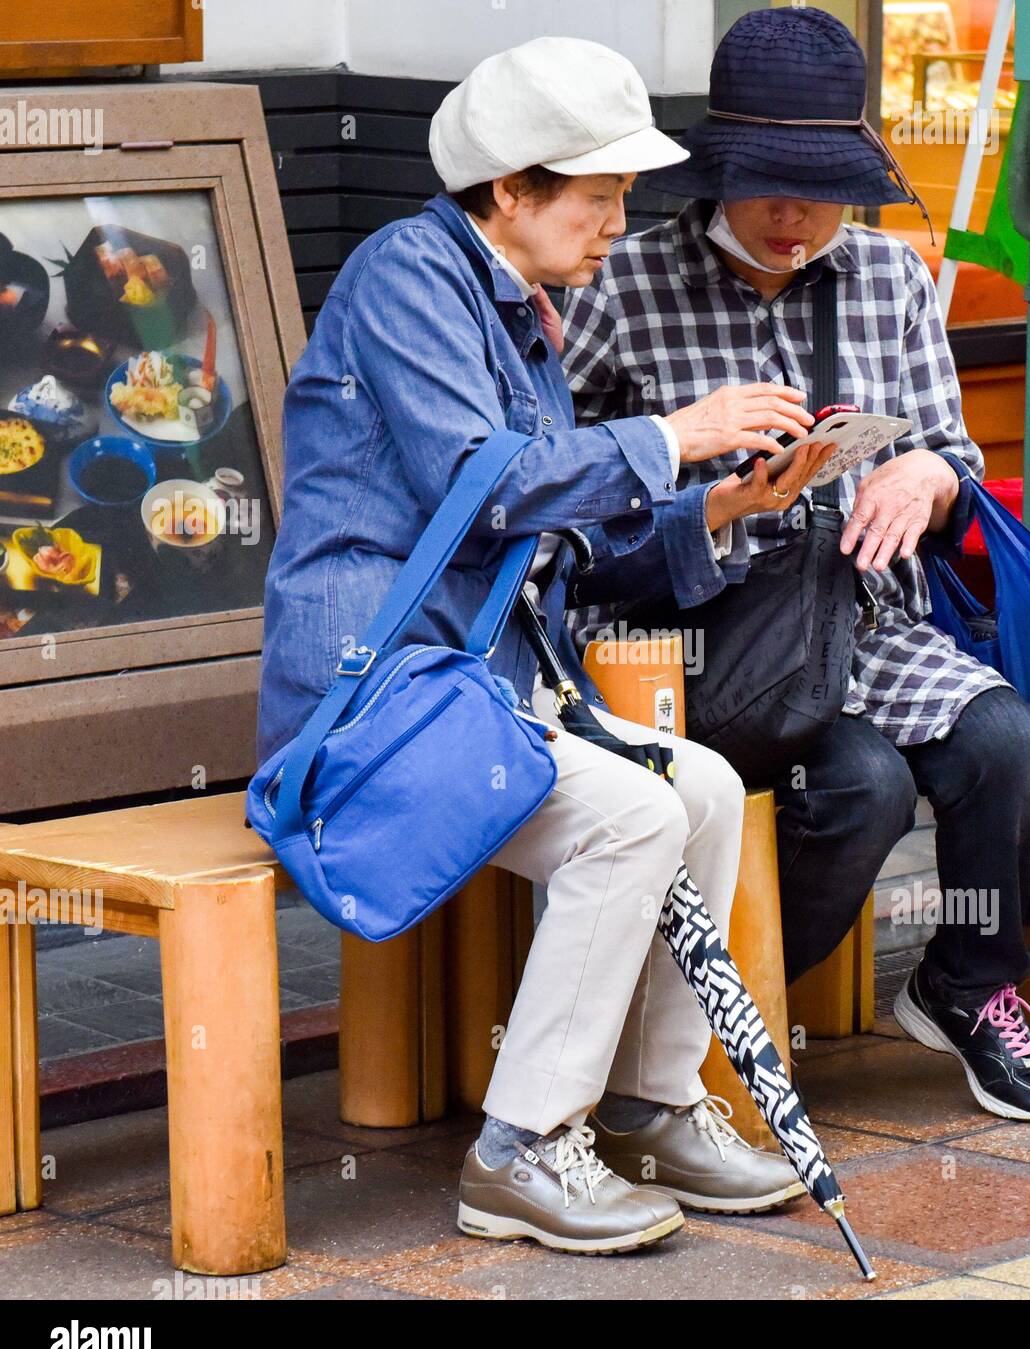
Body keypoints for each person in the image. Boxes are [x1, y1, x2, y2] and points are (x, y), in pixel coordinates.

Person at [255, 37, 819, 1256]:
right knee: (633, 816)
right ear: (508, 189)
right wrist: (674, 436)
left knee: (706, 786)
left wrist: (720, 507)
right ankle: (519, 1150)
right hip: (373, 710)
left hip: (475, 694)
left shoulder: (516, 309)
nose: (622, 220)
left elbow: (543, 547)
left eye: (624, 194)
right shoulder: (408, 271)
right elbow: (485, 485)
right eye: (599, 193)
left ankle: (650, 1102)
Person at [561, 8, 1030, 1124]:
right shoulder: (627, 281)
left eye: (818, 186)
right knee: (860, 787)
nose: (792, 216)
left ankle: (966, 985)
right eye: (767, 186)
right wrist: (700, 484)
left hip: (867, 618)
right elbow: (561, 480)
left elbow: (954, 451)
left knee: (1004, 743)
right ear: (719, 170)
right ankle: (704, 1021)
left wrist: (927, 482)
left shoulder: (889, 278)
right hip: (706, 638)